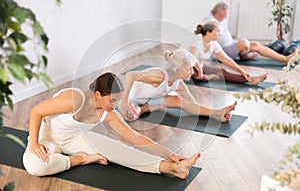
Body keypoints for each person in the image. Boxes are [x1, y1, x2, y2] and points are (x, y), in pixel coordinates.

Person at [22, 72, 200, 179]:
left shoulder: (109, 113)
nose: (115, 105)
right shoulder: (75, 99)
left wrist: (171, 155)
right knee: (36, 166)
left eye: (118, 100)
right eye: (112, 100)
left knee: (121, 150)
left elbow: (135, 138)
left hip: (75, 138)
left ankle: (174, 169)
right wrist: (34, 144)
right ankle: (81, 159)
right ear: (98, 95)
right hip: (48, 135)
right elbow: (36, 111)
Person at [119, 49, 237, 122]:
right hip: (131, 98)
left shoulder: (178, 82)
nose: (192, 71)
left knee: (178, 100)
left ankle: (217, 113)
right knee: (129, 116)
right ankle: (143, 109)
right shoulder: (159, 77)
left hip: (149, 100)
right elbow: (130, 75)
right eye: (189, 69)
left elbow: (191, 104)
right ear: (177, 70)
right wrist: (125, 102)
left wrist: (199, 71)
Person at [200, 1, 294, 64]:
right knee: (244, 43)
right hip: (223, 50)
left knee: (256, 45)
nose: (225, 18)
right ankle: (243, 55)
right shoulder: (208, 21)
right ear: (217, 13)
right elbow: (203, 36)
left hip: (231, 44)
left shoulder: (220, 18)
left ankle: (285, 59)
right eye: (223, 16)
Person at [189, 21, 268, 85]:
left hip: (200, 65)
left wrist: (242, 71)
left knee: (222, 72)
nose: (220, 34)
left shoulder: (213, 43)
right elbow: (192, 60)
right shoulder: (196, 40)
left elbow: (226, 59)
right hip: (187, 66)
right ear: (208, 32)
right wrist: (200, 72)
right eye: (217, 32)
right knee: (194, 74)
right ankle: (208, 77)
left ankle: (251, 79)